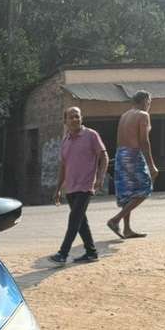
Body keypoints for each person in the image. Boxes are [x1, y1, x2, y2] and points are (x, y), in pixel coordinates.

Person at [48, 106, 108, 265]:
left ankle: (63, 253)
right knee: (81, 222)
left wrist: (100, 177)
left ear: (81, 118)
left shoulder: (91, 135)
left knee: (74, 219)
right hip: (71, 187)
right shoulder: (65, 140)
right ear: (65, 121)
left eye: (77, 116)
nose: (75, 119)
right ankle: (91, 252)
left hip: (85, 186)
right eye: (71, 117)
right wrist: (58, 189)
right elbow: (63, 166)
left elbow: (104, 156)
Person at [108, 90, 157, 239]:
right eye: (149, 103)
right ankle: (115, 220)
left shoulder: (125, 115)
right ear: (145, 101)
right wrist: (151, 165)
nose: (149, 106)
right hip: (133, 155)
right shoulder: (143, 115)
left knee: (127, 194)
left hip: (120, 155)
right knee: (145, 188)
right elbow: (144, 141)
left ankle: (127, 229)